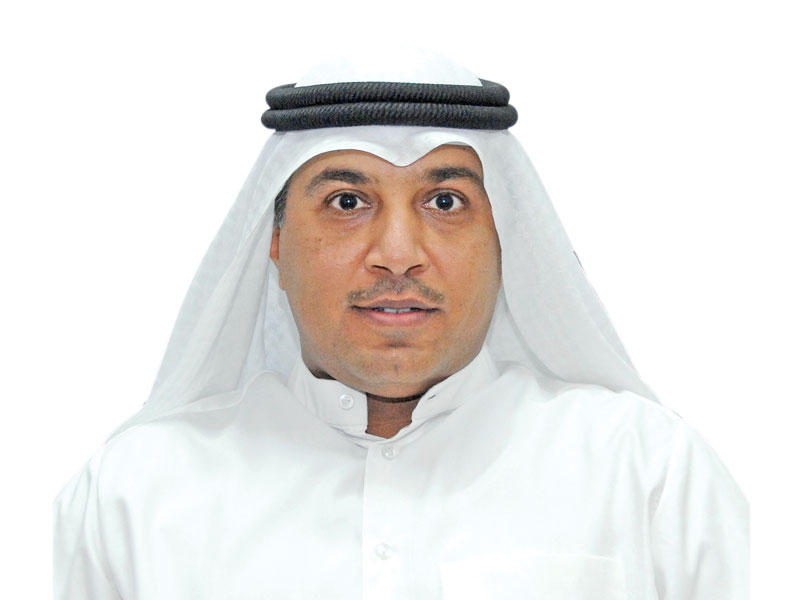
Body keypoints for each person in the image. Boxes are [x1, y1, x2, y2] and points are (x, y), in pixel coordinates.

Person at [54, 50, 748, 599]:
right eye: (347, 201)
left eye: (444, 202)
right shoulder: (133, 498)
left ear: (505, 239)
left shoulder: (650, 476)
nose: (397, 254)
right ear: (275, 242)